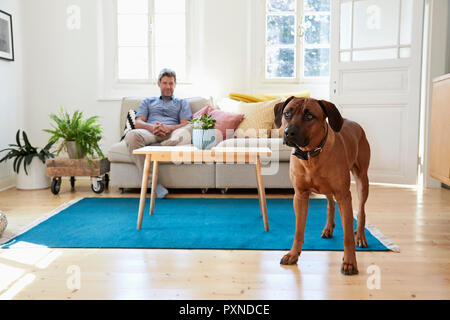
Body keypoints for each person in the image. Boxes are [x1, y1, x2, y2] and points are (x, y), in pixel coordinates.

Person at [124, 68, 192, 198]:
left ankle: (160, 146)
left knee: (189, 129)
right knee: (132, 135)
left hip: (173, 134)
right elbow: (138, 123)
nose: (168, 86)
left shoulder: (182, 103)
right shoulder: (148, 101)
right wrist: (152, 127)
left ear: (175, 84)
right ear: (159, 84)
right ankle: (154, 184)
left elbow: (185, 124)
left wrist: (169, 128)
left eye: (171, 83)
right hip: (151, 132)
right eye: (165, 83)